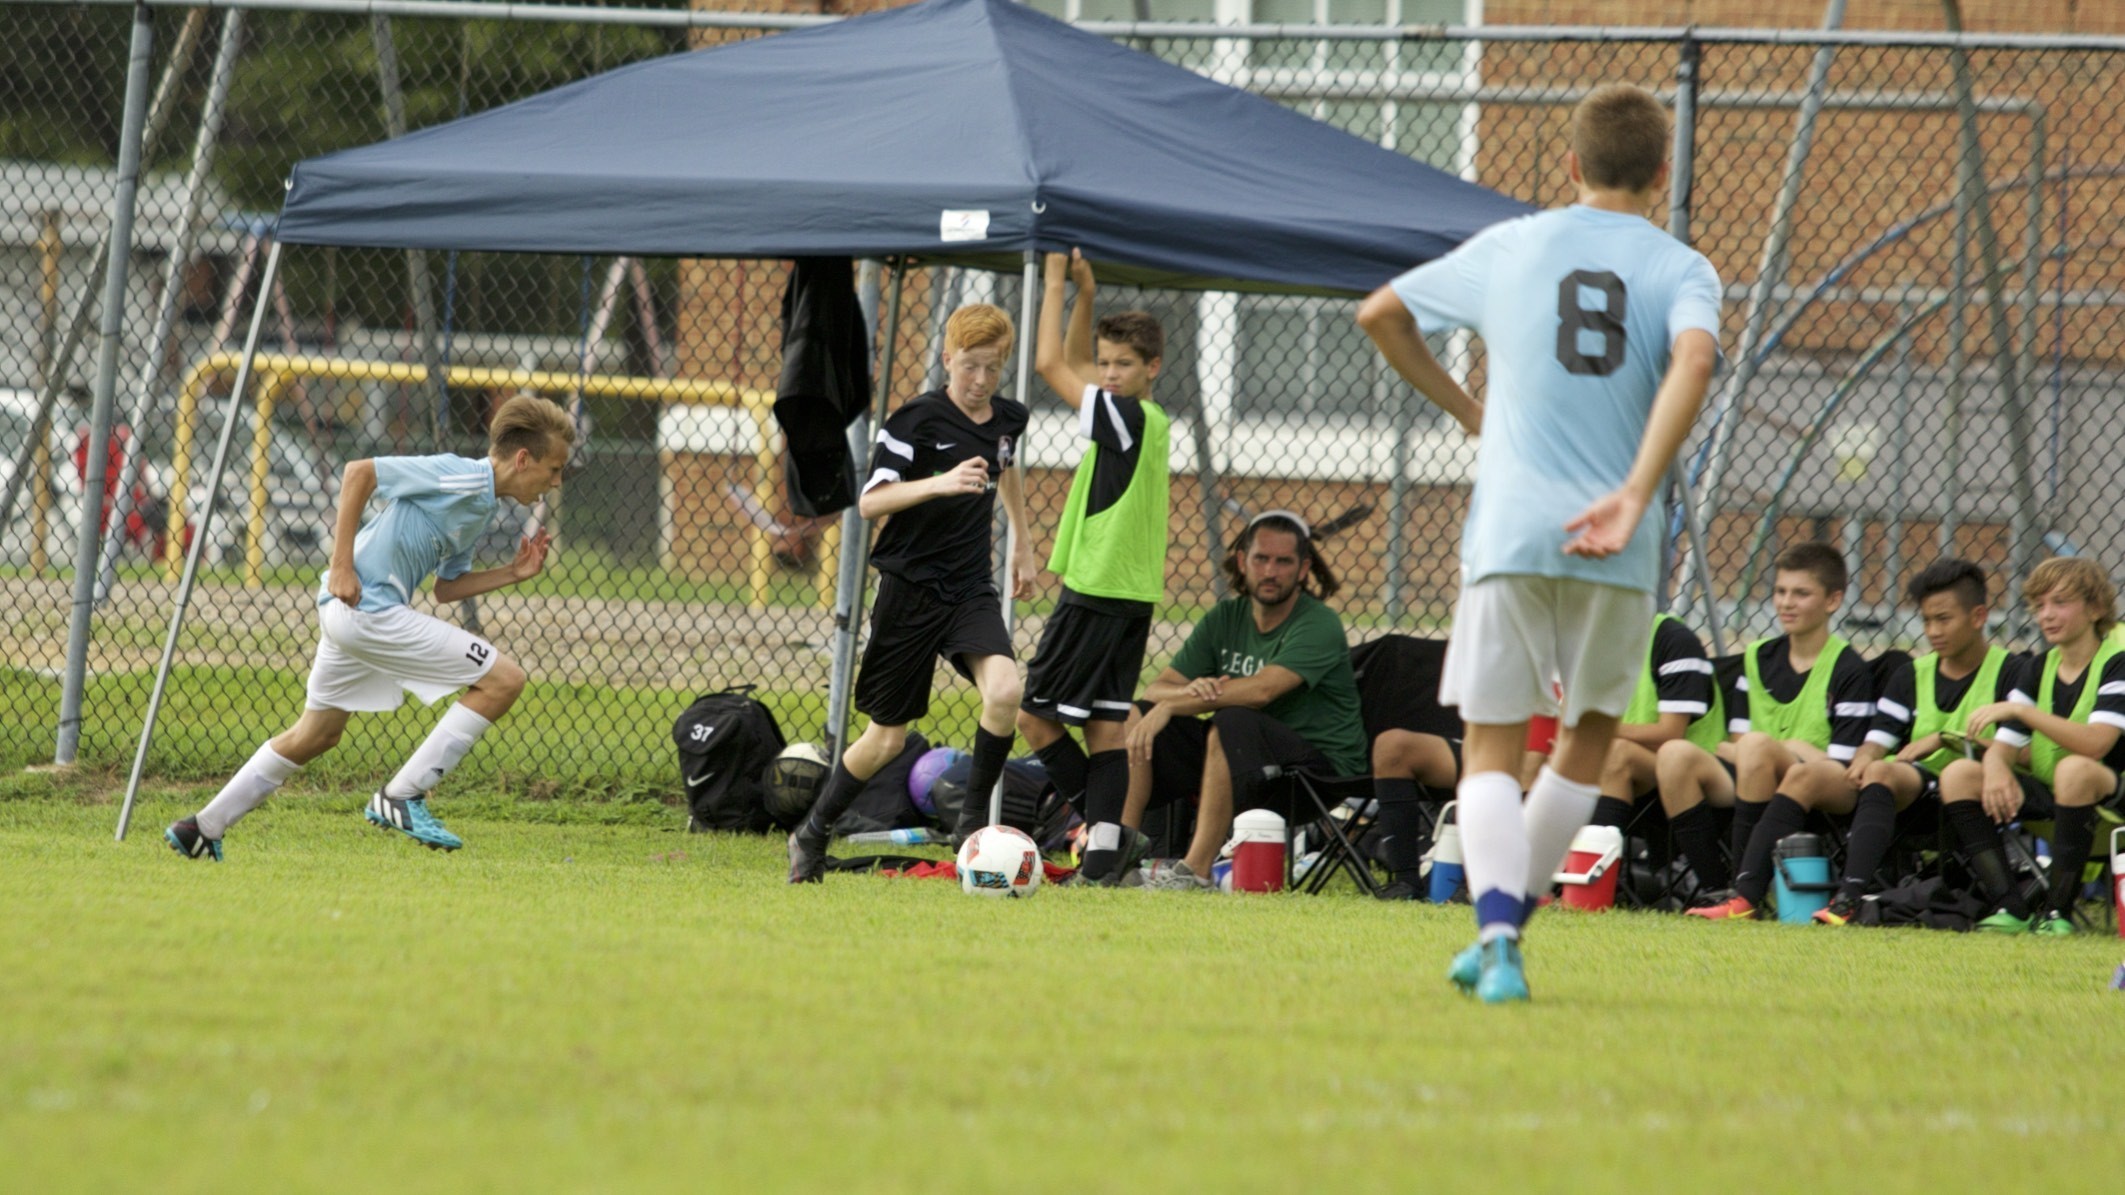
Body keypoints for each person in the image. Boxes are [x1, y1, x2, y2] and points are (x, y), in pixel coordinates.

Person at [1358, 82, 1721, 1002]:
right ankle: (1506, 931)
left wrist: (1466, 410)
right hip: (1619, 541)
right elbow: (1695, 358)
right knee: (1584, 744)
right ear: (1662, 172)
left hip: (1512, 531)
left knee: (1487, 746)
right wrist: (1634, 492)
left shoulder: (1512, 245)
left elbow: (1380, 313)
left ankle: (1494, 936)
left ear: (1569, 164)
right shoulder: (1683, 266)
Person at [164, 394, 575, 860]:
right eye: (554, 469)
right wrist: (341, 566)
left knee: (317, 735)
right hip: (367, 610)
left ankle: (201, 828)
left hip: (353, 614)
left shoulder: (481, 506)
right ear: (522, 460)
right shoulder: (460, 474)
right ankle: (402, 795)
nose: (556, 482)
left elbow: (447, 588)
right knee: (505, 680)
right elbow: (359, 473)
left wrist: (513, 573)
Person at [786, 304, 1037, 882]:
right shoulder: (915, 420)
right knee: (885, 739)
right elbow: (870, 501)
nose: (980, 380)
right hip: (908, 591)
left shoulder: (1008, 418)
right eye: (970, 366)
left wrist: (1022, 542)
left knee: (1005, 691)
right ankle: (813, 832)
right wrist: (940, 483)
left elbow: (1006, 466)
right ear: (948, 359)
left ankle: (971, 829)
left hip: (969, 587)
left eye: (992, 368)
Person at [1015, 250, 1170, 886]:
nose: (1108, 373)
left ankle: (1105, 834)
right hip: (1129, 596)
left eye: (1123, 364)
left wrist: (1053, 279)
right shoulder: (1144, 417)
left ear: (1152, 368)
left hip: (1099, 591)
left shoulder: (1126, 416)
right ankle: (1105, 862)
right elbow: (1079, 364)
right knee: (1106, 731)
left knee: (1033, 715)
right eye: (1106, 363)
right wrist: (1087, 292)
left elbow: (1052, 365)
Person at [1120, 512, 1367, 890]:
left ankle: (1193, 873)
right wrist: (1183, 695)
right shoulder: (1225, 618)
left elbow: (1261, 691)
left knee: (1232, 719)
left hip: (1314, 773)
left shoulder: (1319, 623)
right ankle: (1117, 854)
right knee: (1136, 714)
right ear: (1242, 561)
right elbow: (1158, 689)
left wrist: (1177, 703)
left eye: (1283, 562)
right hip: (1240, 759)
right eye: (1261, 559)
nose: (1270, 571)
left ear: (1303, 569)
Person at [1789, 558, 2012, 925]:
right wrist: (1865, 757)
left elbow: (2020, 751)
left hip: (1986, 793)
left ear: (1978, 616)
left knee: (1956, 772)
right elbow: (1878, 740)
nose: (1933, 631)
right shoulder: (1911, 674)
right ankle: (1848, 899)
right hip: (1922, 796)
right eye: (1926, 621)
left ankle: (2010, 904)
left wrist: (1944, 739)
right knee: (1878, 769)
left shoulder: (2012, 670)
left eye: (1944, 619)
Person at [1676, 541, 1876, 920]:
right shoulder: (1757, 656)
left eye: (1801, 593)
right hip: (1753, 772)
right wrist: (1786, 747)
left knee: (1759, 747)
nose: (1786, 603)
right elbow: (1732, 746)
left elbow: (1844, 765)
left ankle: (1743, 892)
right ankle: (1715, 888)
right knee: (1676, 755)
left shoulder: (1849, 668)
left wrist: (1783, 750)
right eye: (1780, 591)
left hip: (1825, 784)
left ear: (1833, 600)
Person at [1946, 556, 2125, 934]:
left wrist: (2023, 712)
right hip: (2054, 794)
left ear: (2095, 608)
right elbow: (2006, 744)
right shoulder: (2038, 667)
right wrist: (1997, 768)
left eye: (2060, 602)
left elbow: (2096, 744)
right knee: (1960, 773)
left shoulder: (2117, 663)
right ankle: (2010, 906)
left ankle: (2058, 913)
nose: (2047, 614)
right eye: (2039, 605)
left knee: (2074, 769)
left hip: (2111, 802)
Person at [1588, 612, 1723, 833]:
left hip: (1692, 764)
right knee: (1538, 750)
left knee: (1617, 754)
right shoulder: (1590, 639)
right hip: (1624, 759)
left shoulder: (1674, 639)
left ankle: (1595, 853)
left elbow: (1670, 733)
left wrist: (1600, 731)